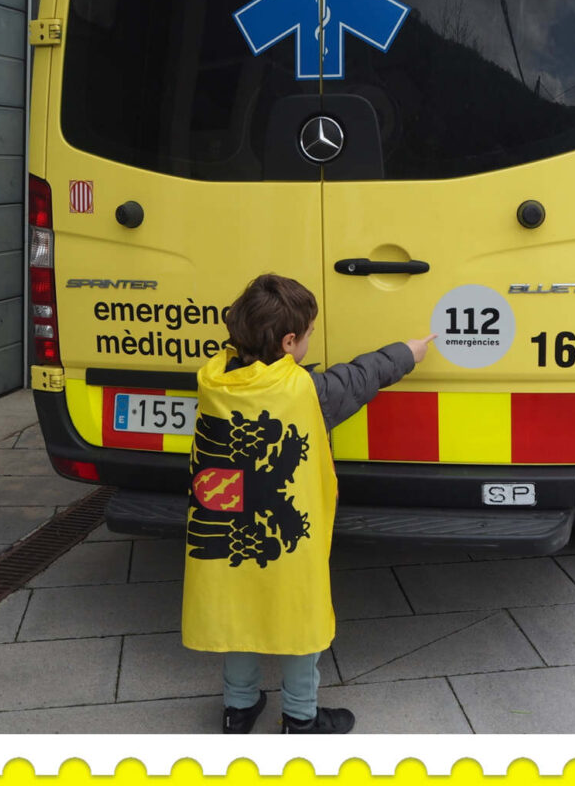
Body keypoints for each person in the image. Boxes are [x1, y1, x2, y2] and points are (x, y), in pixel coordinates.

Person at [181, 273, 436, 734]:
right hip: (284, 541)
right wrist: (409, 351)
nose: (309, 341)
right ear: (289, 342)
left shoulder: (215, 381)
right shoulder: (306, 391)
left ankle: (238, 708)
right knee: (298, 616)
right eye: (309, 334)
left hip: (226, 534)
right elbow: (361, 377)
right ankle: (301, 717)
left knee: (237, 610)